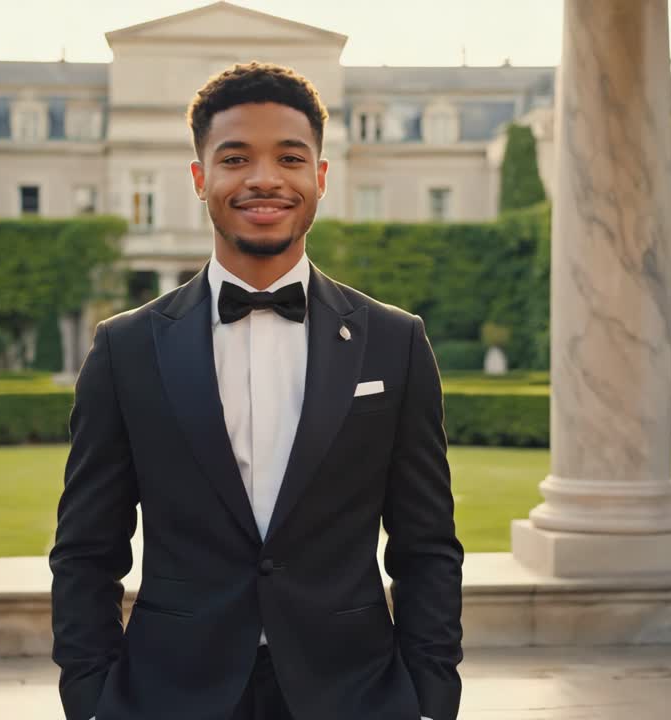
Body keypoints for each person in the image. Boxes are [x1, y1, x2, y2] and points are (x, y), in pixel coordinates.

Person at [50, 61, 463, 720]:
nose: (265, 178)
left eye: (290, 158)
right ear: (199, 178)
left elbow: (427, 546)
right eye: (236, 158)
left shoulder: (396, 341)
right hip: (169, 696)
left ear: (320, 177)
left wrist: (431, 698)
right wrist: (91, 697)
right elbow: (86, 550)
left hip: (355, 694)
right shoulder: (125, 349)